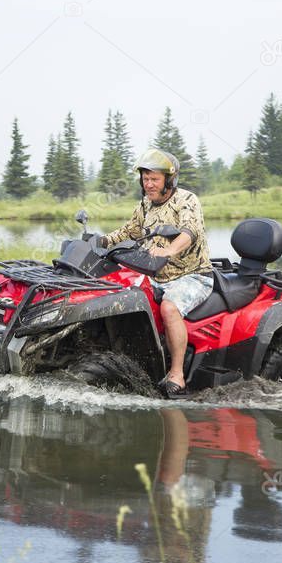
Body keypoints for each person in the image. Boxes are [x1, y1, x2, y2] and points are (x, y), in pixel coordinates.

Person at [102, 148, 211, 395]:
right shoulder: (145, 205)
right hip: (154, 276)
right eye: (145, 178)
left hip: (192, 276)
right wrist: (100, 242)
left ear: (169, 180)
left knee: (169, 308)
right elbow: (128, 232)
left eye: (154, 179)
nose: (148, 184)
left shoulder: (187, 200)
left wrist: (169, 250)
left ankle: (177, 374)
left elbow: (189, 232)